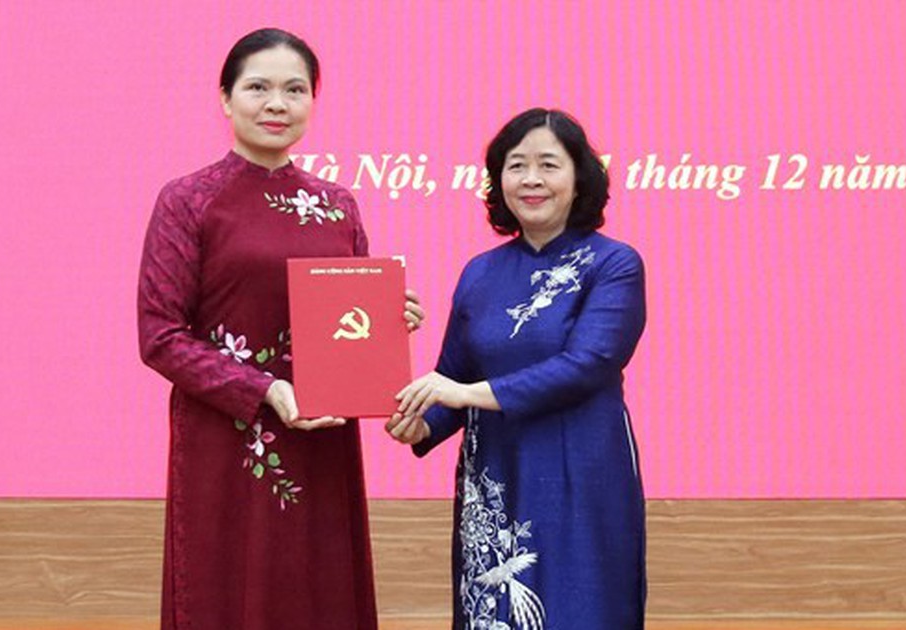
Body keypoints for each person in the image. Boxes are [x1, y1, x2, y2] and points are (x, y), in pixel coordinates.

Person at [138, 28, 422, 630]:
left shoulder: (338, 203)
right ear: (225, 98)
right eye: (258, 88)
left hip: (323, 438)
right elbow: (160, 335)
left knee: (318, 593)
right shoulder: (188, 200)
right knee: (225, 591)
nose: (277, 104)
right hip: (226, 439)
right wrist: (266, 390)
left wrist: (389, 319)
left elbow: (348, 319)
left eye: (295, 90)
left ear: (313, 101)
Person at [387, 108, 648, 629]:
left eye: (548, 164)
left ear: (580, 177)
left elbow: (587, 364)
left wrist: (466, 395)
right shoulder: (480, 272)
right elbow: (454, 378)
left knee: (582, 609)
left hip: (581, 470)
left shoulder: (614, 264)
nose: (531, 179)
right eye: (516, 165)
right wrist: (421, 423)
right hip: (496, 474)